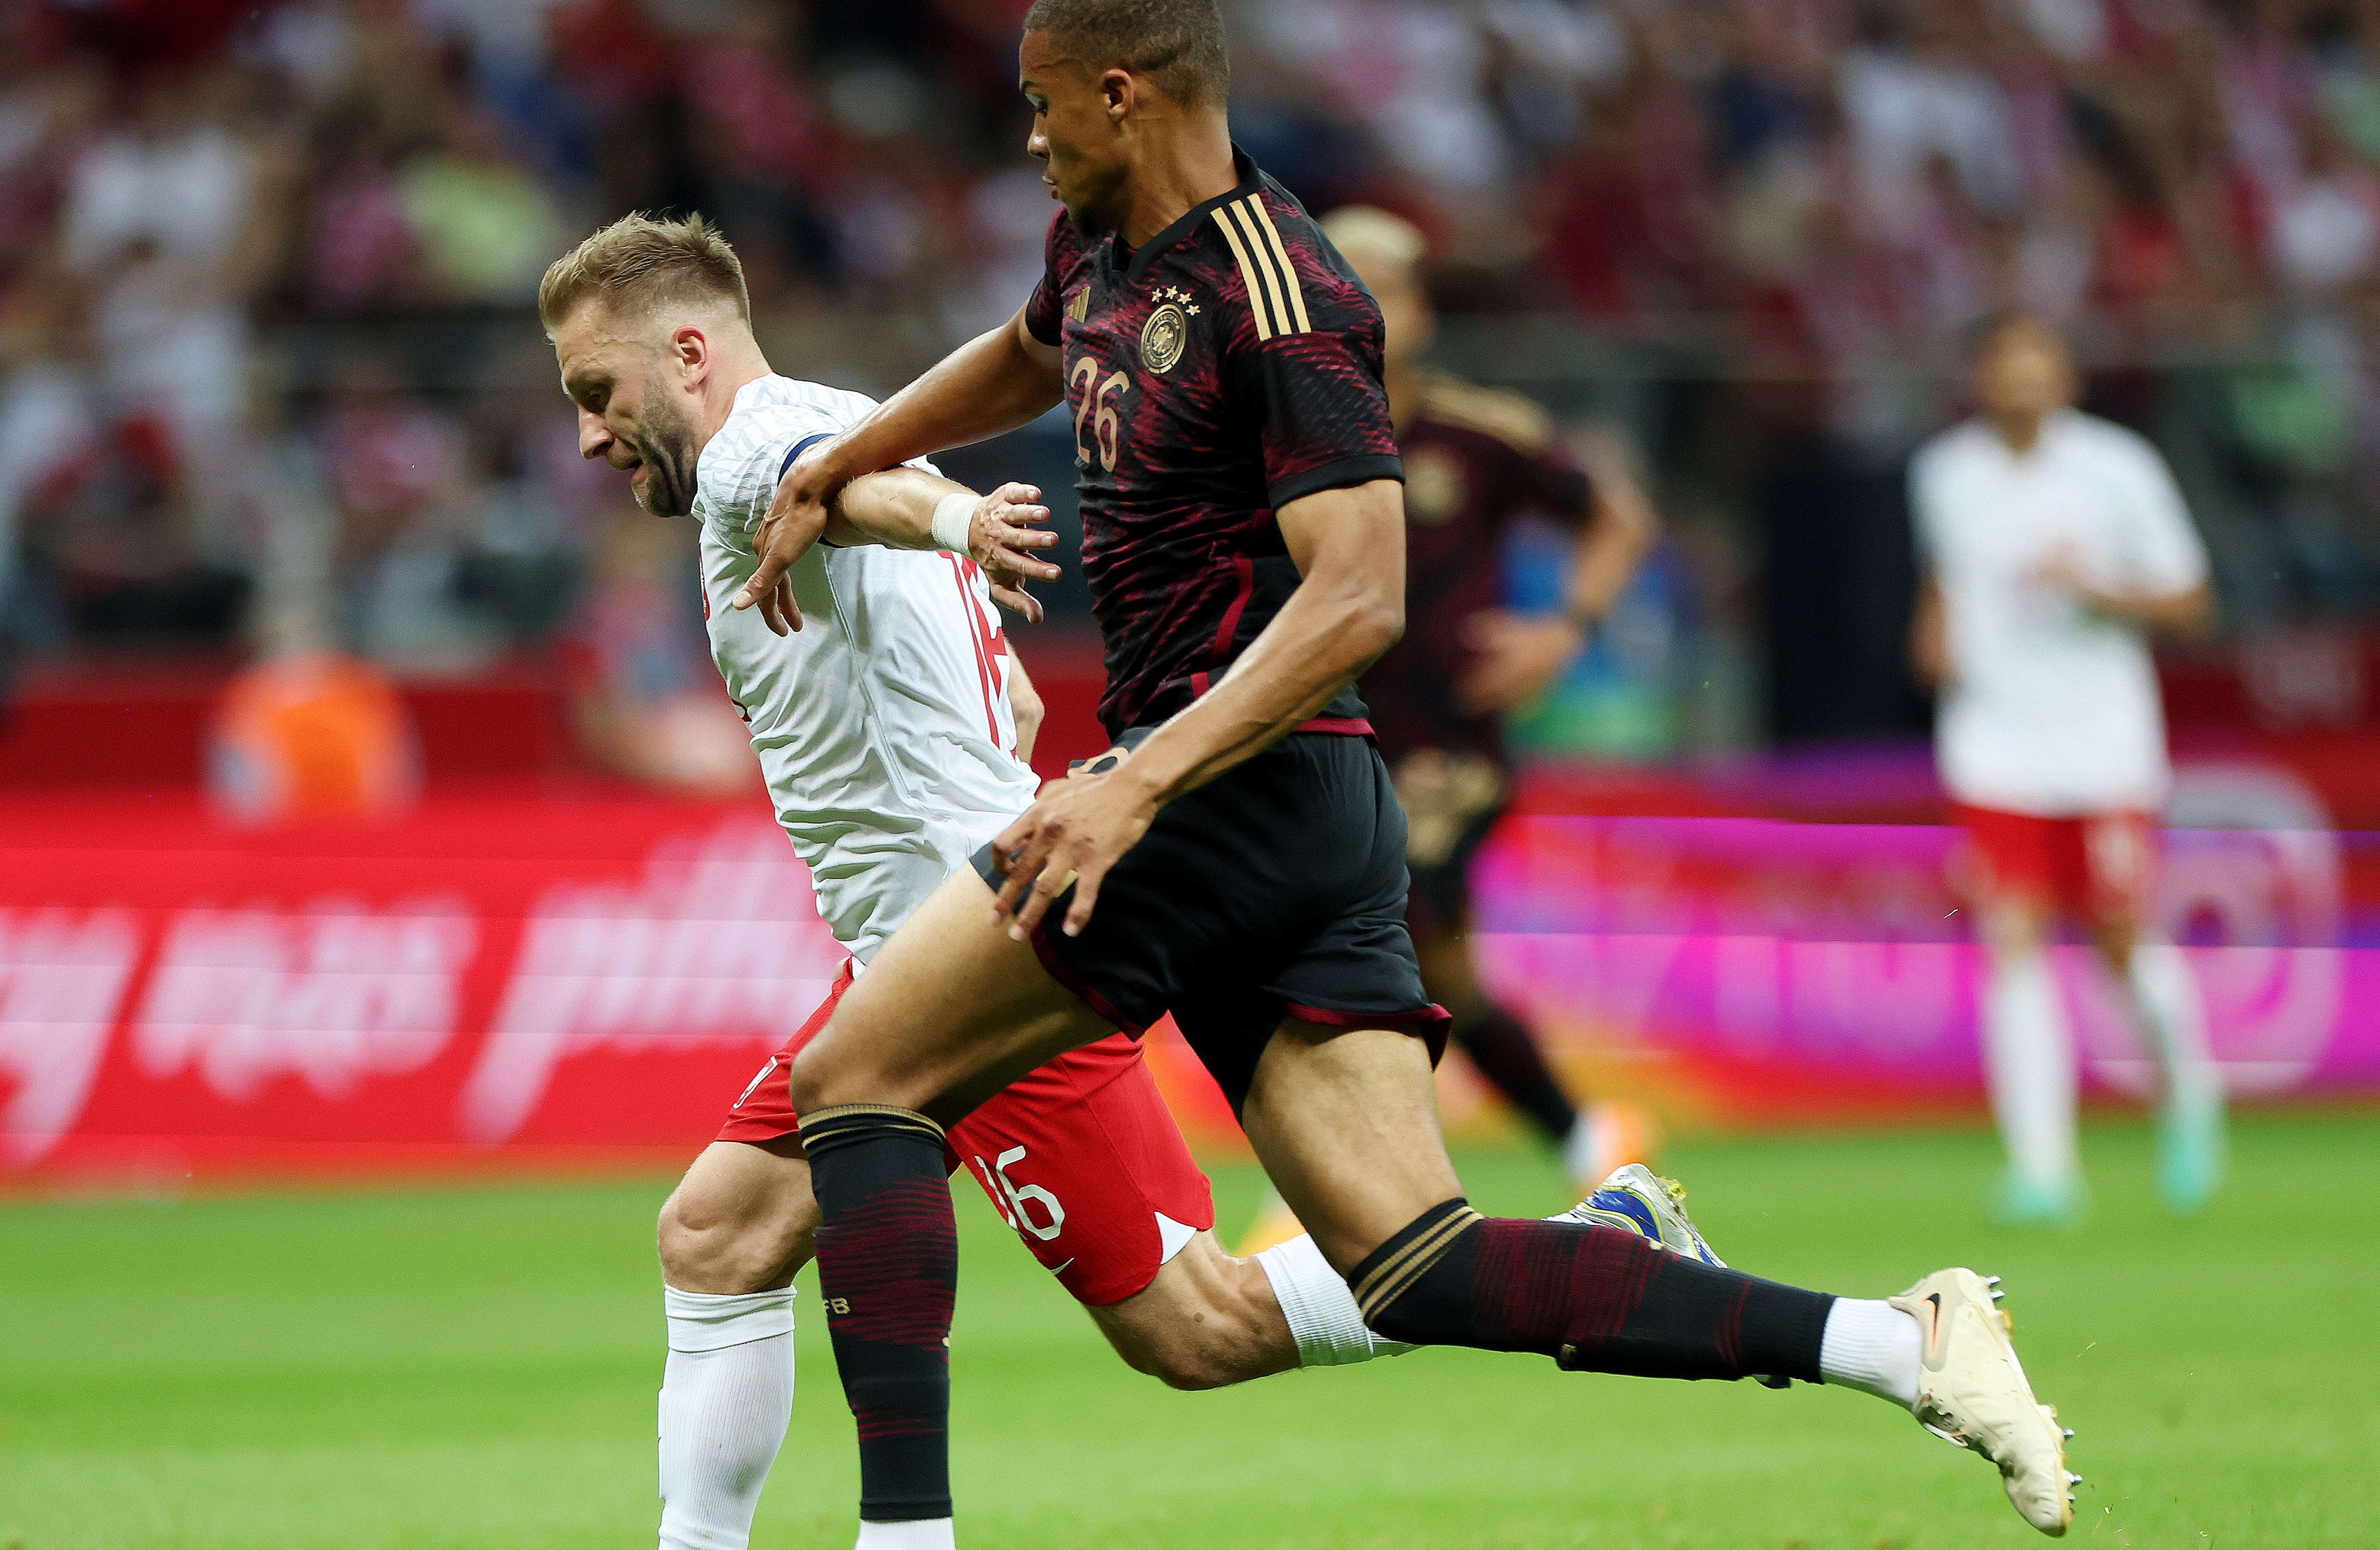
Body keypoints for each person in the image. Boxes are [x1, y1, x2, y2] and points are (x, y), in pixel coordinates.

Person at [743, 3, 2076, 1542]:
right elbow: (1017, 359)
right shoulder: (1095, 246)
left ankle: (901, 1536)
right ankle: (1899, 1345)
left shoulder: (1289, 292)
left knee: (858, 1080)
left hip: (1216, 791)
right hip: (1293, 809)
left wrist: (1135, 781)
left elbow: (1358, 596)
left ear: (1122, 92)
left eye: (1045, 108)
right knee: (1411, 1264)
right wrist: (840, 463)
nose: (1029, 138)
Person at [533, 213, 1730, 1550]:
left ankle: (1591, 1263)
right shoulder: (839, 419)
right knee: (721, 1240)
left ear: (688, 351)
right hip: (941, 920)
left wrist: (957, 516)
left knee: (1195, 1324)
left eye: (596, 391)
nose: (588, 433)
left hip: (975, 950)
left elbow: (847, 488)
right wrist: (947, 519)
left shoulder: (771, 443)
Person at [1325, 202, 1663, 1190]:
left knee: (1387, 929)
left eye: (1393, 288)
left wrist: (1567, 626)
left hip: (1446, 747)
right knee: (1445, 976)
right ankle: (1588, 1140)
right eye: (1351, 286)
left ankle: (1345, 1182)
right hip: (1323, 737)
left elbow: (1616, 516)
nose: (1375, 309)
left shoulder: (1481, 434)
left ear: (1424, 311)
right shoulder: (1270, 439)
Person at [1908, 310, 2226, 1226]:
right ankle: (2043, 1167)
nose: (2021, 379)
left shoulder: (2117, 468)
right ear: (1980, 376)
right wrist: (1931, 630)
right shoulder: (1943, 472)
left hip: (2104, 745)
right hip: (1993, 744)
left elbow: (2194, 600)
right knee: (2012, 937)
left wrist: (2100, 589)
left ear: (2066, 377)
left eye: (2037, 362)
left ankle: (2189, 1098)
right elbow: (1945, 579)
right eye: (2005, 362)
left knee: (2120, 941)